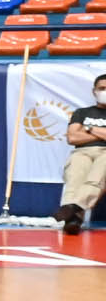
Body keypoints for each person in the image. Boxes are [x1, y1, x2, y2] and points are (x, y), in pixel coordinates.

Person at [55, 72, 106, 235]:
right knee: (74, 180)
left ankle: (72, 208)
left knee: (96, 179)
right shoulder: (81, 112)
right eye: (102, 88)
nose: (104, 91)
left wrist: (89, 128)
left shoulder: (85, 121)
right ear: (94, 91)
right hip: (82, 151)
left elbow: (79, 134)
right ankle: (73, 219)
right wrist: (101, 133)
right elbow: (72, 137)